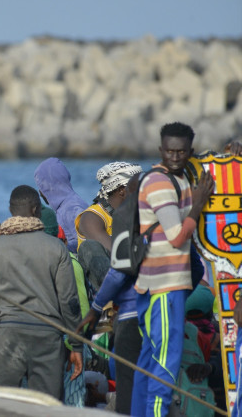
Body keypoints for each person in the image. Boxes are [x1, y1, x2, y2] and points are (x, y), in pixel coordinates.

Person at [131, 122, 213, 417]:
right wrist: (198, 206)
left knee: (149, 362)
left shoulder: (181, 179)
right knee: (165, 364)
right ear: (160, 150)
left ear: (190, 152)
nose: (175, 157)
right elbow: (177, 236)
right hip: (163, 286)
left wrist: (233, 151)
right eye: (169, 152)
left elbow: (214, 166)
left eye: (181, 152)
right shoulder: (159, 183)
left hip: (159, 284)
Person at [0, 185, 83, 398]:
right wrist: (76, 345)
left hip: (7, 336)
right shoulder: (56, 247)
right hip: (47, 337)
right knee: (45, 407)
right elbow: (69, 302)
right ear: (35, 210)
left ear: (10, 209)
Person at [75, 162, 142, 291]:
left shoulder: (137, 212)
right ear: (122, 191)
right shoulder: (92, 218)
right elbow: (117, 257)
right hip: (104, 288)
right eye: (139, 187)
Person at [34, 157, 88, 252]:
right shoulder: (66, 205)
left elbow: (85, 246)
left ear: (49, 187)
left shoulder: (72, 209)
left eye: (42, 187)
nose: (40, 193)